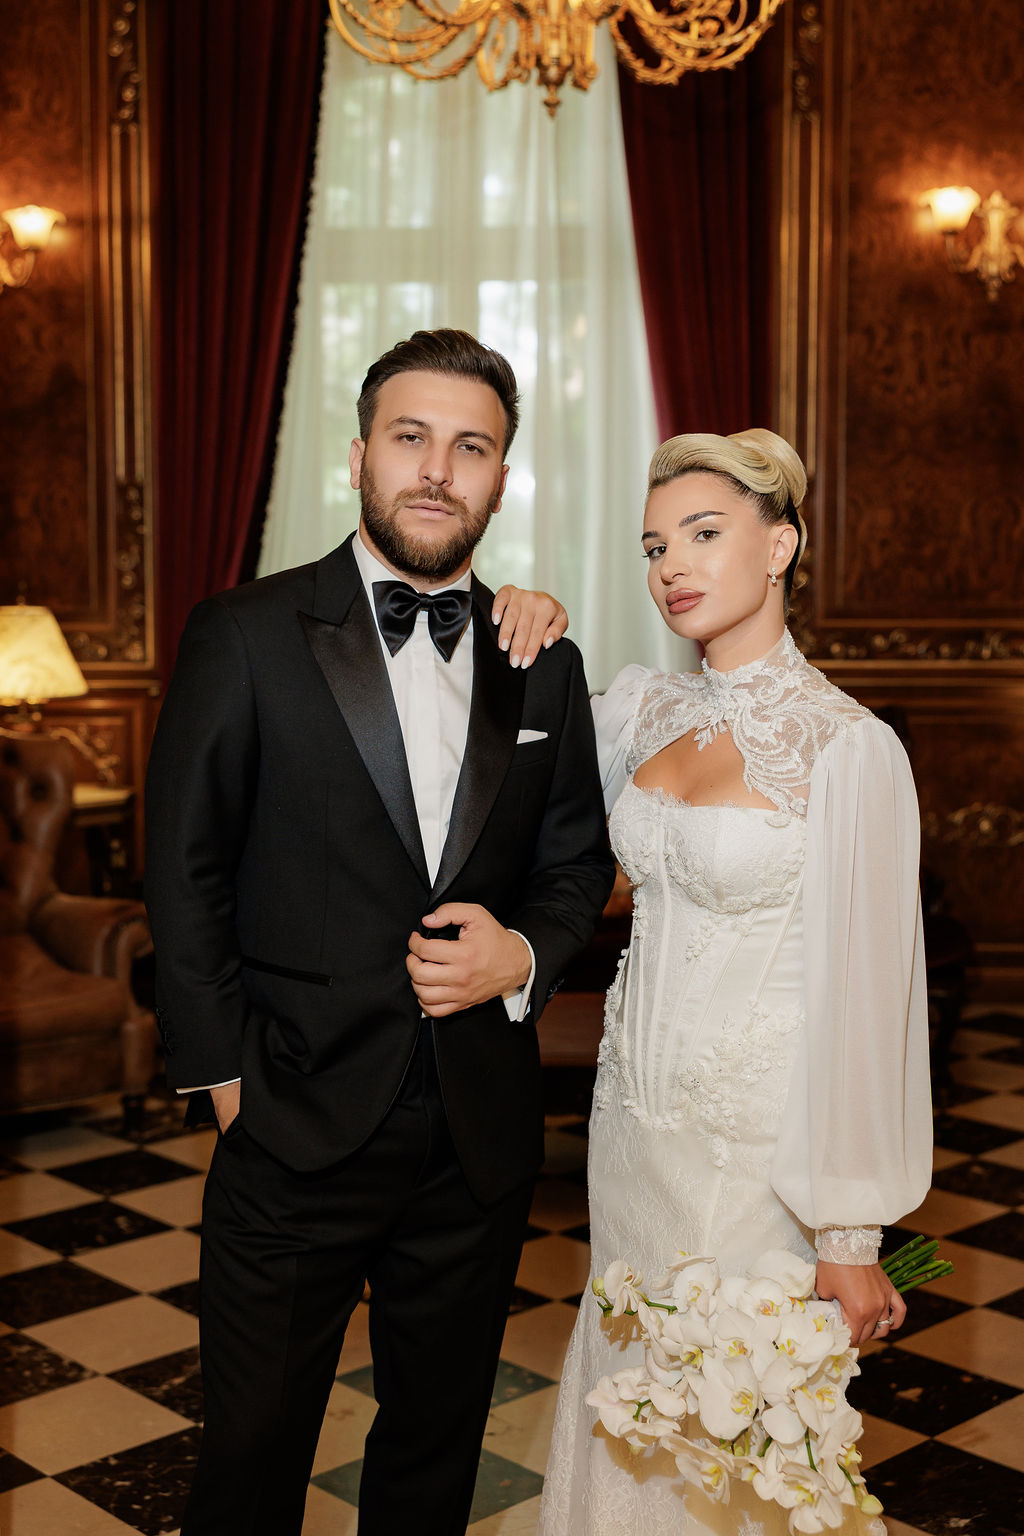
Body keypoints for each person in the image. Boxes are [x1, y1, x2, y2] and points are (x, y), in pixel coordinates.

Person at [144, 328, 615, 1536]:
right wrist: (224, 1082)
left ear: (501, 479)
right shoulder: (243, 632)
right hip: (288, 1113)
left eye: (472, 447)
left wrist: (522, 955)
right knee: (250, 1457)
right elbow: (186, 868)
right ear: (359, 456)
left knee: (433, 1454)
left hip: (475, 1134)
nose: (437, 470)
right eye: (411, 438)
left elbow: (574, 867)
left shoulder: (542, 662)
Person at [529, 429, 933, 1535]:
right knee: (628, 1394)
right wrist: (517, 620)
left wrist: (849, 1236)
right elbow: (507, 767)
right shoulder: (640, 713)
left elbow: (871, 999)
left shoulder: (846, 748)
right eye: (655, 545)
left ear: (781, 544)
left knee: (738, 1439)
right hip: (631, 1133)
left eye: (704, 534)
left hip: (763, 1154)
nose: (672, 566)